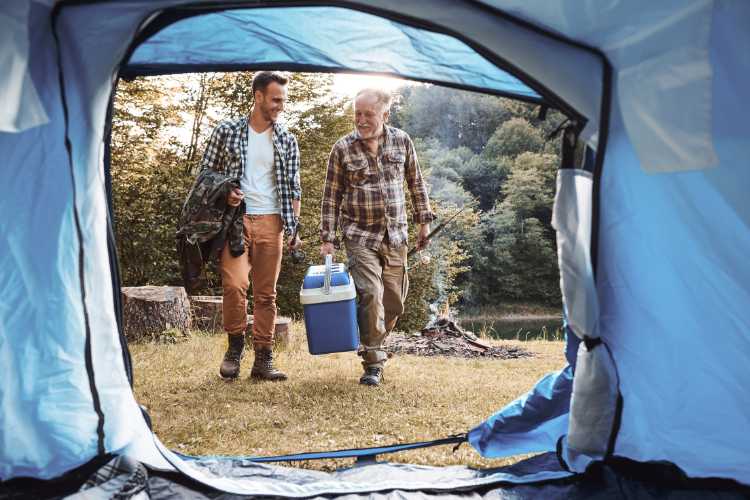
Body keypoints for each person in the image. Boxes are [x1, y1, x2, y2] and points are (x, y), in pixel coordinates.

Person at [319, 87, 436, 386]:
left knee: (394, 302)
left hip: (396, 235)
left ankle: (374, 340)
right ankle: (373, 363)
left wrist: (424, 222)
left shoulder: (402, 140)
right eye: (358, 113)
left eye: (368, 114)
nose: (361, 119)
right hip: (359, 235)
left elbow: (415, 182)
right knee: (371, 294)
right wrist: (328, 239)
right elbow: (331, 197)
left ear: (385, 115)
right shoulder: (342, 148)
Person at [199, 71, 302, 381]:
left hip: (273, 222)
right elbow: (204, 174)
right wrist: (225, 191)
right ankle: (234, 348)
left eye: (283, 100)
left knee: (266, 294)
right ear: (258, 97)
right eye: (275, 99)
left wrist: (294, 229)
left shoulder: (286, 140)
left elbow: (294, 188)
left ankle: (263, 359)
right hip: (234, 222)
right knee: (234, 285)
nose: (280, 106)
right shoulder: (226, 131)